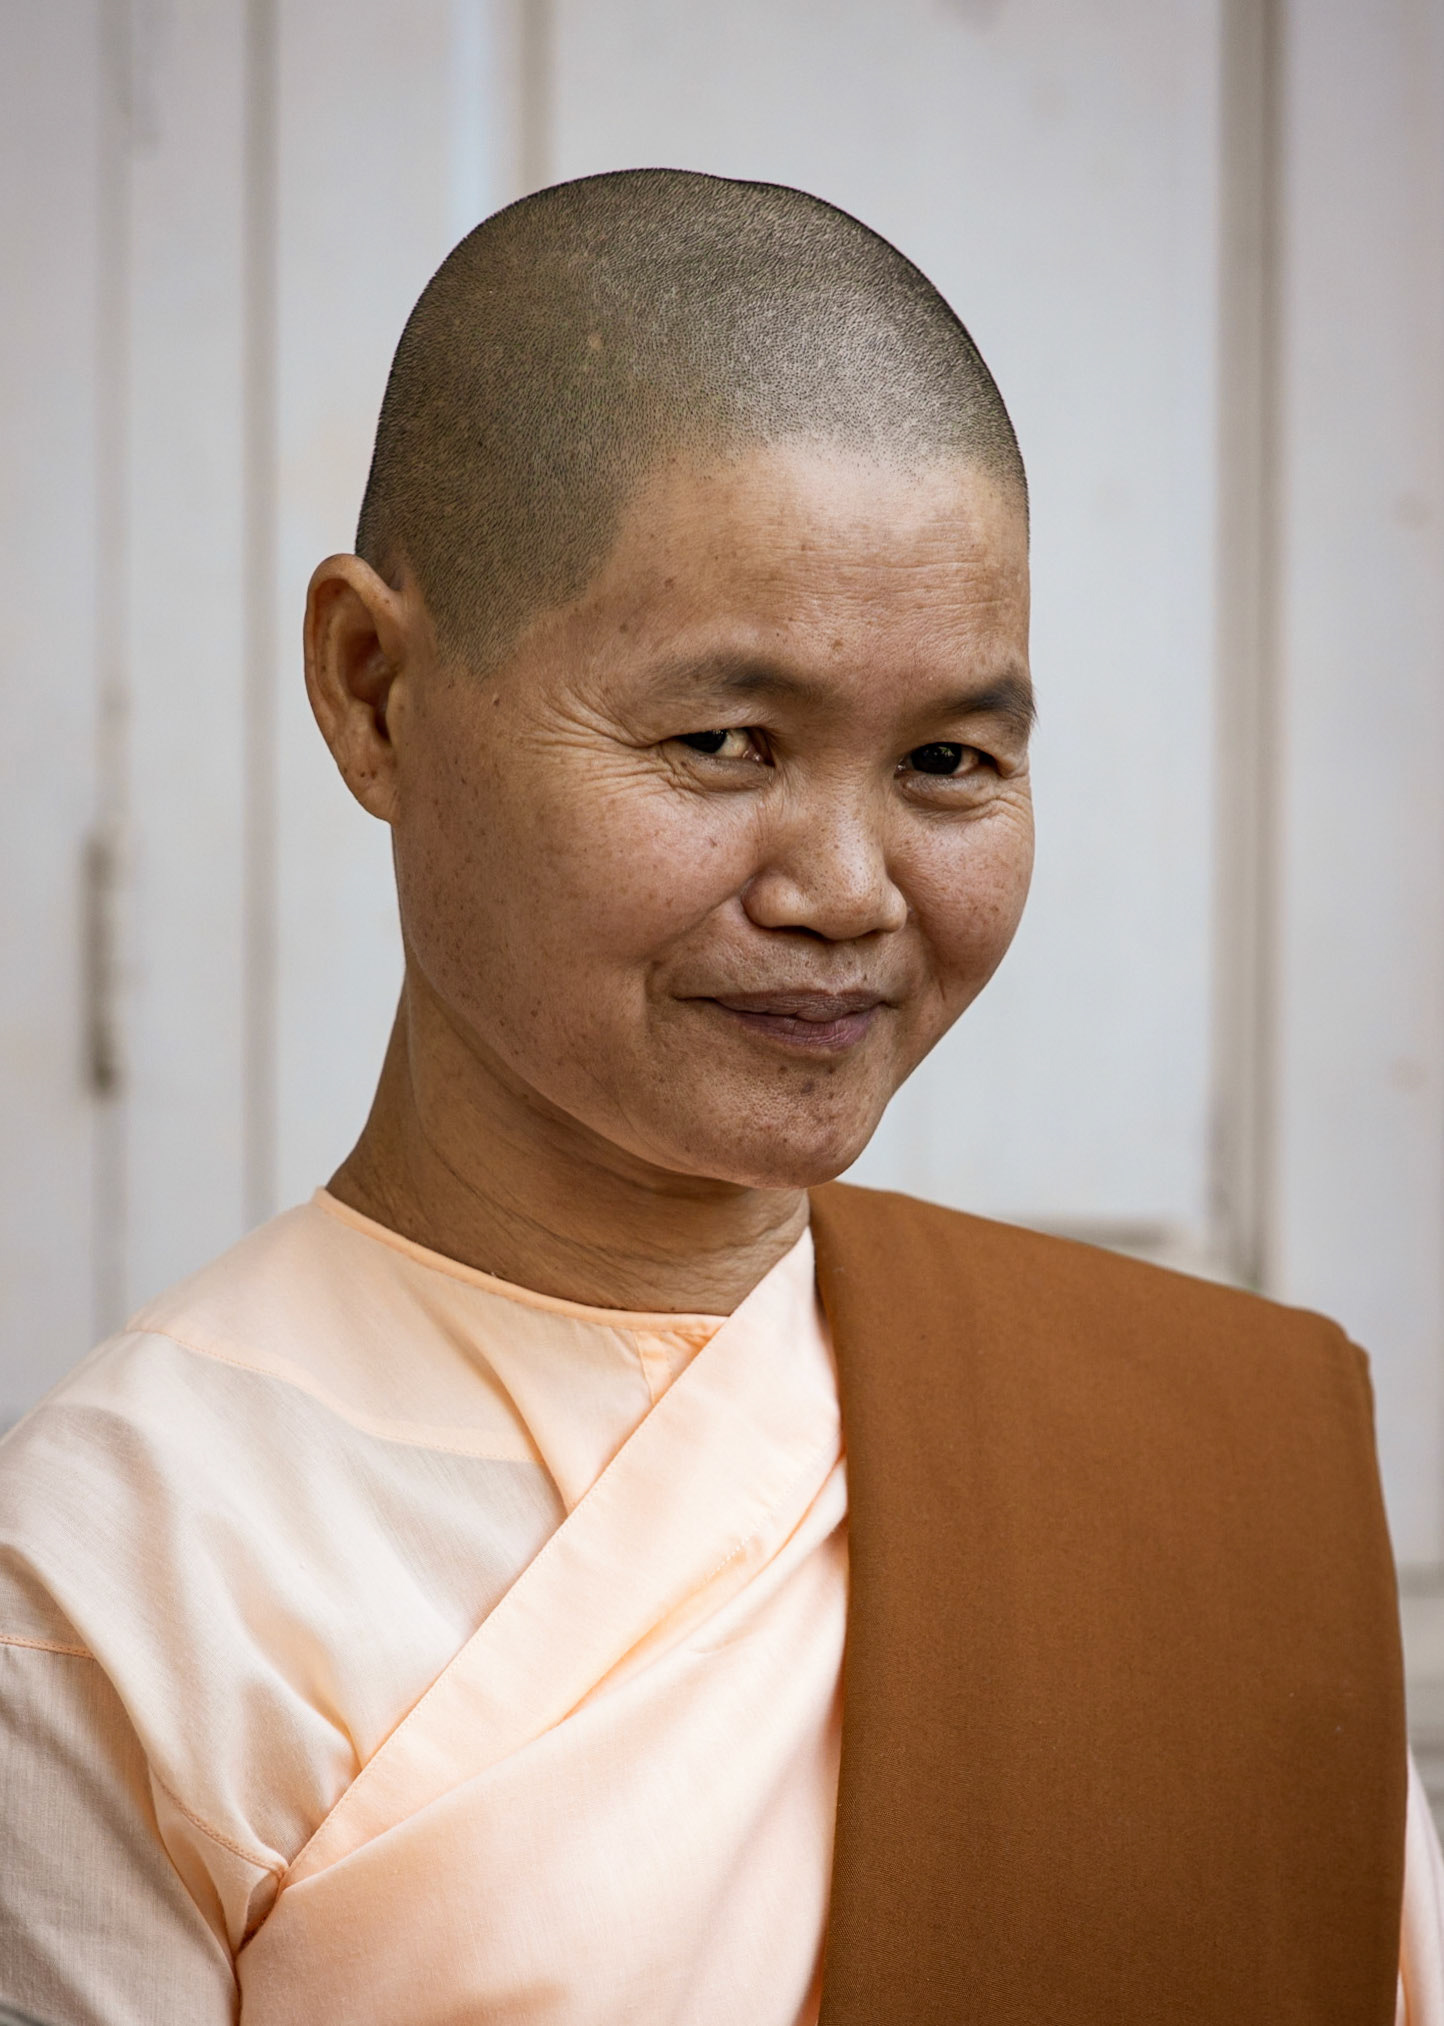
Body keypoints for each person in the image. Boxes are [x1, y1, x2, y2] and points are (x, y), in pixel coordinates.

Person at [0, 169, 1438, 2026]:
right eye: (721, 743)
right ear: (374, 691)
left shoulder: (1205, 1468)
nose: (847, 887)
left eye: (947, 759)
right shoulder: (123, 1580)